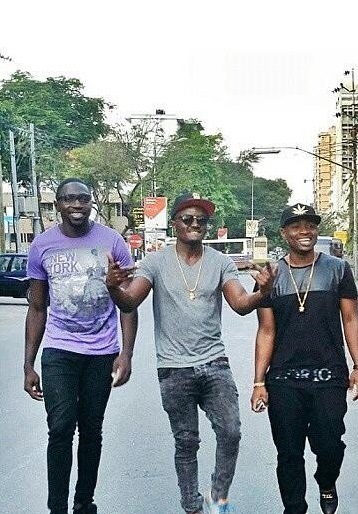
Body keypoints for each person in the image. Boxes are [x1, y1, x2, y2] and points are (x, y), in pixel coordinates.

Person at [105, 192, 276, 514]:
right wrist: (113, 287)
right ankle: (191, 505)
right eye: (187, 219)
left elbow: (240, 305)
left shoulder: (221, 262)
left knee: (231, 431)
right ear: (175, 224)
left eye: (201, 220)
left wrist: (262, 293)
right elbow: (129, 302)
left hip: (214, 363)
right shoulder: (155, 262)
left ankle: (218, 497)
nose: (195, 224)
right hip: (173, 368)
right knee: (186, 441)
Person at [23, 178, 139, 514]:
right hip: (59, 349)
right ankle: (57, 507)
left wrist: (126, 353)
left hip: (102, 351)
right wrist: (28, 364)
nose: (77, 205)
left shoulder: (112, 241)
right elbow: (37, 308)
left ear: (91, 204)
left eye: (83, 199)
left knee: (91, 429)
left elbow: (128, 304)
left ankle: (84, 501)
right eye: (69, 199)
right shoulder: (42, 245)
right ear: (58, 204)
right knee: (60, 427)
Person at [250, 203, 358, 514]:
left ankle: (326, 481)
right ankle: (294, 509)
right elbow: (266, 330)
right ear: (283, 233)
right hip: (284, 380)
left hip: (330, 376)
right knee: (288, 454)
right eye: (296, 226)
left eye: (310, 225)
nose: (305, 231)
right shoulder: (270, 276)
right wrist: (259, 382)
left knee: (330, 445)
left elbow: (351, 319)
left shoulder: (337, 269)